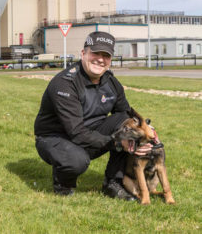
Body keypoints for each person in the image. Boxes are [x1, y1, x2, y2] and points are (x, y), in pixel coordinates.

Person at [34, 31, 152, 199]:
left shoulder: (111, 82)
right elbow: (76, 132)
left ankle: (113, 183)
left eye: (106, 55)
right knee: (77, 159)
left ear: (110, 60)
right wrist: (117, 142)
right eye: (95, 53)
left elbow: (126, 114)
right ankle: (63, 186)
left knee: (127, 125)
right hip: (56, 137)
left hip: (90, 131)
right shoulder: (65, 84)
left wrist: (145, 135)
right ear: (83, 54)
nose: (100, 59)